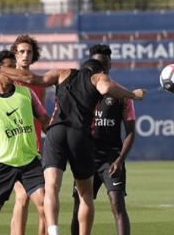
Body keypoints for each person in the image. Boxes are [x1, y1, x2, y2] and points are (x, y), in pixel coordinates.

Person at [0, 57, 146, 235]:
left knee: (51, 186)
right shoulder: (98, 78)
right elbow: (106, 88)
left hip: (55, 131)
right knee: (85, 192)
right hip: (80, 134)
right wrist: (132, 94)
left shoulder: (62, 73)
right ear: (99, 72)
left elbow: (33, 79)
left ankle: (54, 231)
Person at [71, 44, 134, 235]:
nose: (102, 68)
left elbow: (131, 132)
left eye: (105, 64)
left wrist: (119, 160)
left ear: (110, 65)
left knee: (117, 204)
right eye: (98, 64)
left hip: (110, 159)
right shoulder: (80, 93)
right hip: (86, 157)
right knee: (79, 205)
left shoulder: (121, 94)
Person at [0, 50, 50, 235]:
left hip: (29, 162)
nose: (13, 73)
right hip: (0, 163)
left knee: (47, 209)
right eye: (9, 69)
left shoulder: (27, 93)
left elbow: (46, 122)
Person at [10, 34, 49, 235]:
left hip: (34, 150)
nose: (25, 56)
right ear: (14, 55)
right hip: (11, 151)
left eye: (29, 52)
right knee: (22, 197)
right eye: (21, 52)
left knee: (43, 203)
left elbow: (41, 119)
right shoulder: (6, 81)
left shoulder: (39, 84)